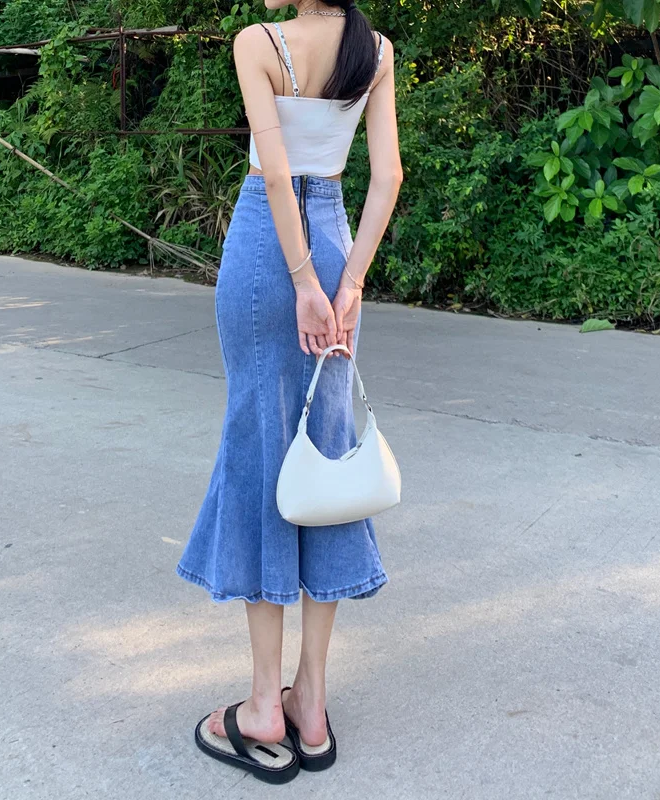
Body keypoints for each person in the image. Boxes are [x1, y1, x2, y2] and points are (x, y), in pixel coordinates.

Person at [175, 0, 402, 784]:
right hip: (336, 245)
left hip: (267, 256)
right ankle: (310, 700)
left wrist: (301, 282)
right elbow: (388, 176)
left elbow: (275, 173)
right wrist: (347, 281)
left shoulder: (258, 42)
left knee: (260, 452)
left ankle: (262, 706)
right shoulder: (376, 50)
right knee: (325, 452)